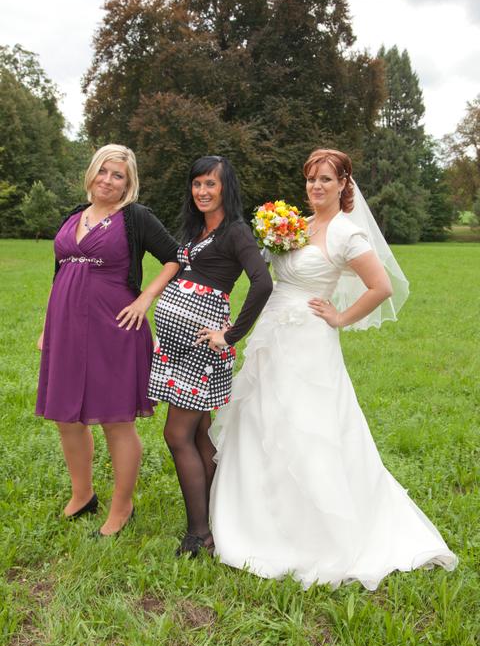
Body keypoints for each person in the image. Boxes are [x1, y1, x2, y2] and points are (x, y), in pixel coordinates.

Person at [209, 148, 458, 590]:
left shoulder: (346, 233)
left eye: (326, 179)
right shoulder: (296, 225)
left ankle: (315, 531)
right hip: (272, 334)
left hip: (308, 341)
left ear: (344, 184)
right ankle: (258, 517)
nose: (316, 186)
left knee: (306, 425)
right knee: (263, 418)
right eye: (311, 179)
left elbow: (381, 286)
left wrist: (340, 318)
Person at [121, 155, 272, 556]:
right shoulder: (196, 229)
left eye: (211, 184)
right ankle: (220, 519)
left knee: (177, 434)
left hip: (201, 347)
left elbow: (262, 283)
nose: (202, 191)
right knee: (200, 434)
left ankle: (198, 533)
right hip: (176, 347)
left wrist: (231, 334)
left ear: (226, 188)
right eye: (197, 184)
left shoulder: (236, 231)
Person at [36, 144, 179, 536]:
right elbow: (59, 274)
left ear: (128, 183)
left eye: (118, 175)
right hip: (66, 326)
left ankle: (122, 506)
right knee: (66, 416)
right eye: (103, 171)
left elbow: (175, 257)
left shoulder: (135, 217)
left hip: (115, 326)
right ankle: (82, 494)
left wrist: (145, 299)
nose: (108, 180)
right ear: (92, 173)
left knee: (116, 419)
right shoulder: (73, 216)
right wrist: (48, 326)